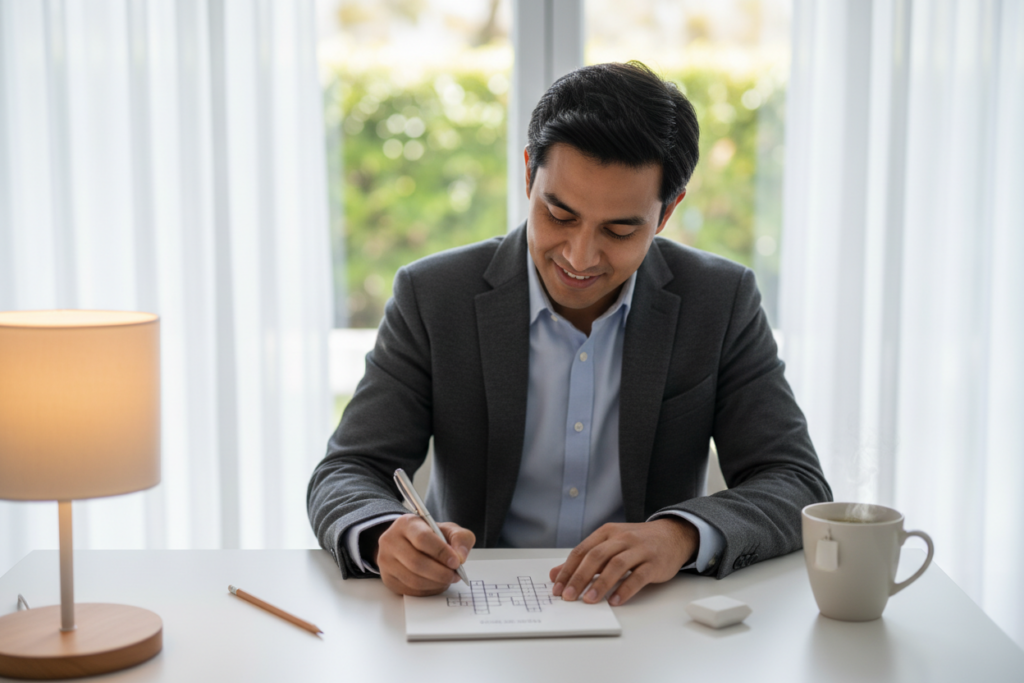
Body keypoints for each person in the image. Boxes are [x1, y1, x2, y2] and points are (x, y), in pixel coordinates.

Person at [307, 61, 831, 607]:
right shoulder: (434, 296)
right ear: (529, 174)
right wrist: (382, 535)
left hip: (648, 618)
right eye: (559, 215)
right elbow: (348, 469)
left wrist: (678, 534)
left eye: (620, 230)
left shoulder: (719, 302)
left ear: (667, 211)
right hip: (473, 610)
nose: (580, 257)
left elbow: (794, 481)